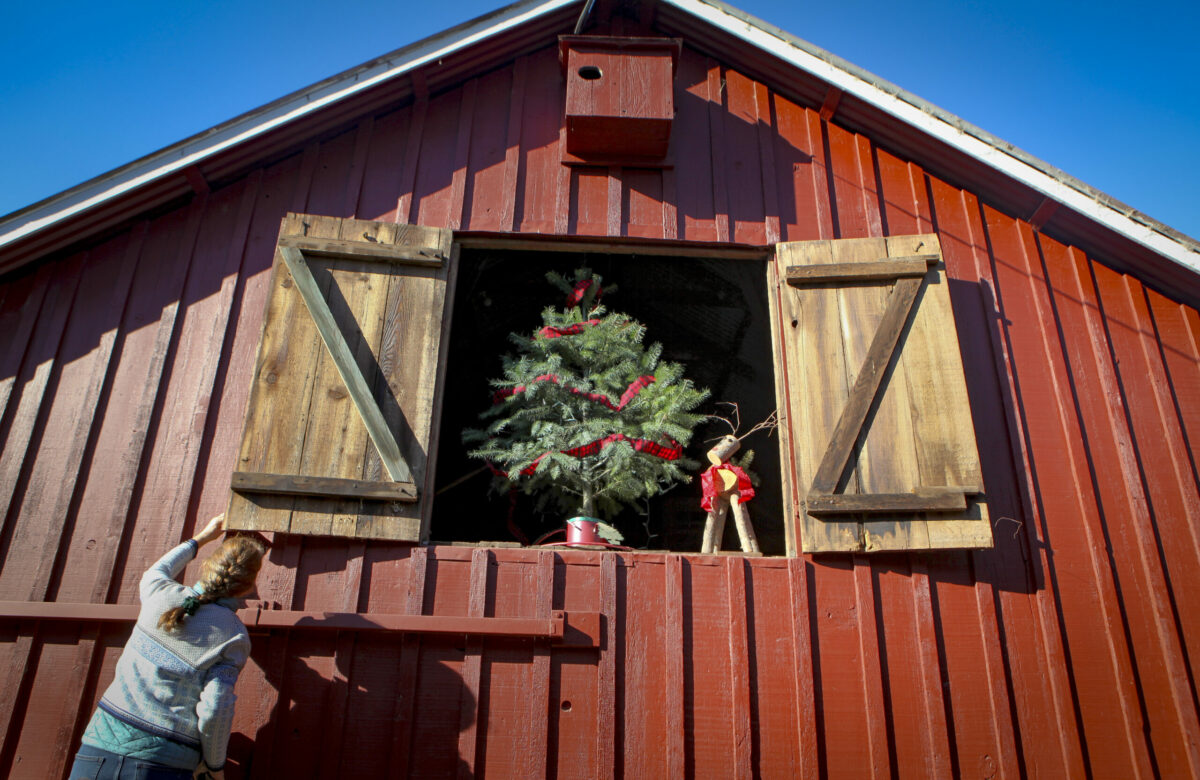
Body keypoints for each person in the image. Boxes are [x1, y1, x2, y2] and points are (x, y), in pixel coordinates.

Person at [69, 515, 267, 780]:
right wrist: (214, 765)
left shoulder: (157, 592)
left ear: (211, 566)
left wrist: (202, 538)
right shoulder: (233, 636)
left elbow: (158, 568)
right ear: (248, 585)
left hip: (97, 750)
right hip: (163, 764)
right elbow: (215, 708)